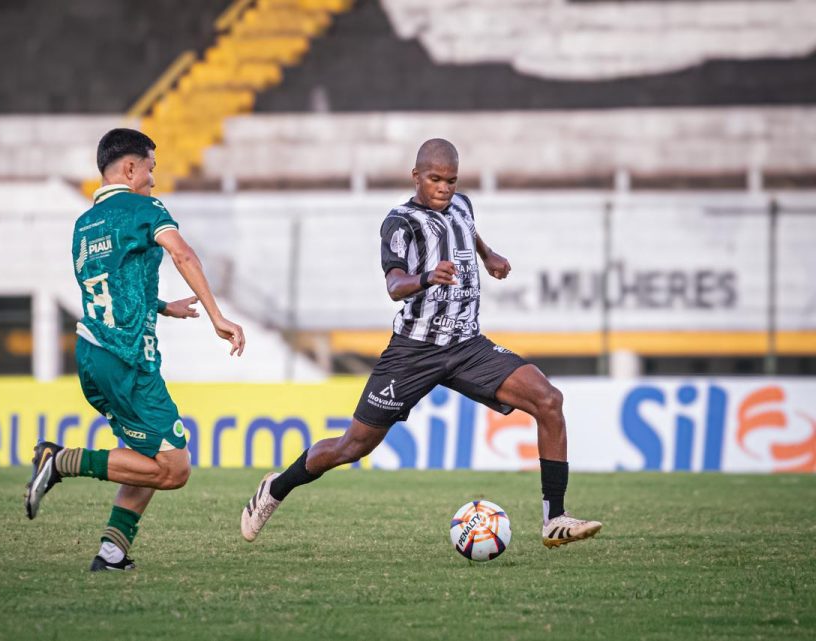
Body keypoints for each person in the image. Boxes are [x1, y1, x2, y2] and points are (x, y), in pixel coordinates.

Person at [241, 139, 601, 548]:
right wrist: (428, 277)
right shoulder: (400, 223)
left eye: (451, 180)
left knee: (549, 400)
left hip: (466, 346)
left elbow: (468, 231)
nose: (444, 188)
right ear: (416, 177)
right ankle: (275, 488)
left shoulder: (462, 205)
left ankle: (554, 518)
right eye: (435, 179)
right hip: (413, 352)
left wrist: (487, 255)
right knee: (352, 446)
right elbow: (394, 285)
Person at [25, 128, 245, 571]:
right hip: (127, 358)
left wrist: (162, 306)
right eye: (150, 169)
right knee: (174, 468)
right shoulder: (145, 209)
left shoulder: (85, 225)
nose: (153, 179)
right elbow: (183, 255)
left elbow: (112, 285)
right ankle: (61, 460)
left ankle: (112, 552)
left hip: (92, 353)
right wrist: (216, 315)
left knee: (147, 457)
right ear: (129, 168)